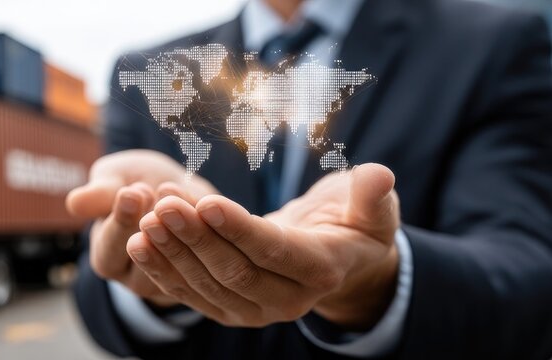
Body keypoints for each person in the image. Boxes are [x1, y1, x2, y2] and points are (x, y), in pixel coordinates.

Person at [66, 0, 552, 358]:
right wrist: (149, 278)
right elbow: (95, 291)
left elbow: (524, 269)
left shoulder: (492, 43)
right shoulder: (148, 72)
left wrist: (382, 282)